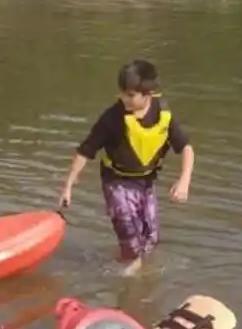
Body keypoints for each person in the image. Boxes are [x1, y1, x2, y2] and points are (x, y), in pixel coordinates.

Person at [57, 59, 195, 276]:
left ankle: (126, 264)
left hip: (145, 183)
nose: (124, 99)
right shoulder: (112, 118)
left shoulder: (163, 115)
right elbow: (86, 150)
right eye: (122, 93)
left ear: (148, 94)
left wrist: (184, 180)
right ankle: (127, 278)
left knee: (151, 240)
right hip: (116, 182)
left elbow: (186, 148)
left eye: (130, 95)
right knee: (129, 234)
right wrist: (68, 186)